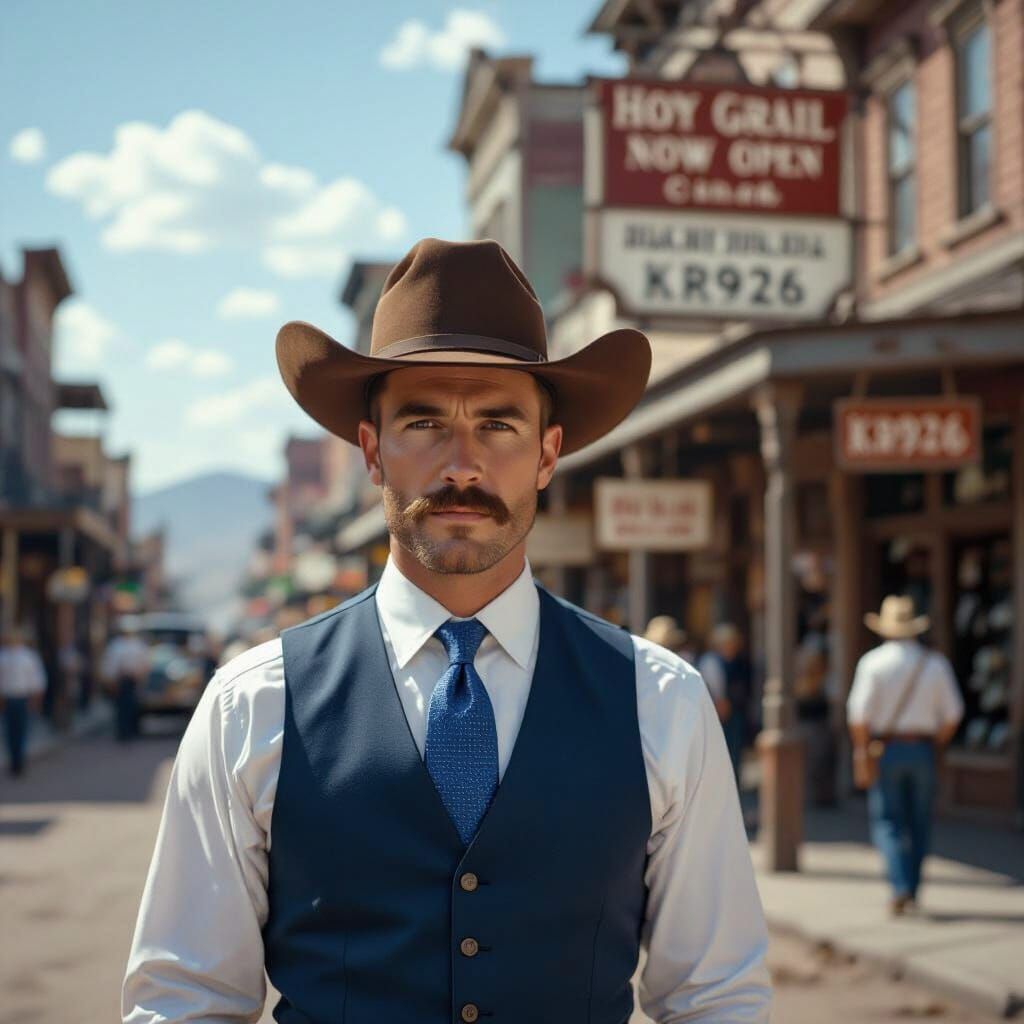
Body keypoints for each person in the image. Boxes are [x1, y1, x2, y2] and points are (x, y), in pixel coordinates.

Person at [123, 237, 771, 1023]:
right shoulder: (250, 706)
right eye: (425, 422)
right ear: (371, 451)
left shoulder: (661, 701)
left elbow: (716, 998)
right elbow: (186, 999)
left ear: (546, 453)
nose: (462, 465)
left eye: (498, 426)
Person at [847, 595, 964, 916]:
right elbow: (953, 714)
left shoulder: (873, 663)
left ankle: (899, 886)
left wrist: (862, 751)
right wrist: (934, 742)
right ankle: (911, 888)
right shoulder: (935, 664)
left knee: (889, 821)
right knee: (920, 821)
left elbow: (858, 716)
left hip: (886, 748)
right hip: (923, 748)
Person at [697, 622, 752, 786]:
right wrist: (721, 703)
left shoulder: (740, 662)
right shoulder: (711, 661)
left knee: (734, 752)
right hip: (719, 713)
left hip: (736, 712)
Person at [0, 623, 48, 777]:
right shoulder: (3, 656)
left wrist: (36, 699)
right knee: (9, 732)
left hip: (22, 697)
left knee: (21, 731)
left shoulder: (28, 657)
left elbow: (37, 680)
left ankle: (19, 761)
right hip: (7, 698)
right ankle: (14, 761)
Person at [100, 619, 150, 742]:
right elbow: (110, 665)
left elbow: (145, 664)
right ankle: (123, 732)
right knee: (122, 707)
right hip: (122, 681)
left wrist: (141, 677)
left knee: (131, 707)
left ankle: (129, 731)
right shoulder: (118, 645)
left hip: (132, 680)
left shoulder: (137, 645)